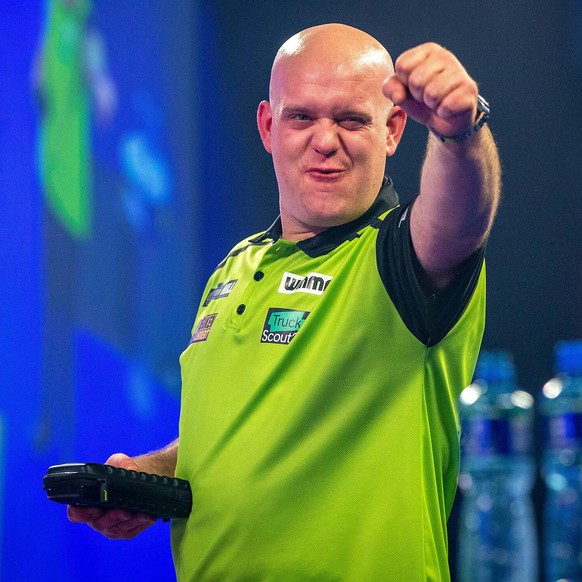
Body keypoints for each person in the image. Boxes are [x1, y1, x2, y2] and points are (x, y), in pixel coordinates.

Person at [68, 23, 501, 581]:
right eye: (301, 117)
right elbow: (236, 440)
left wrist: (460, 134)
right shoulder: (235, 267)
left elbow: (462, 217)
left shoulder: (401, 259)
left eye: (350, 119)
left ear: (393, 129)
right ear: (269, 127)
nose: (325, 140)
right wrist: (153, 478)